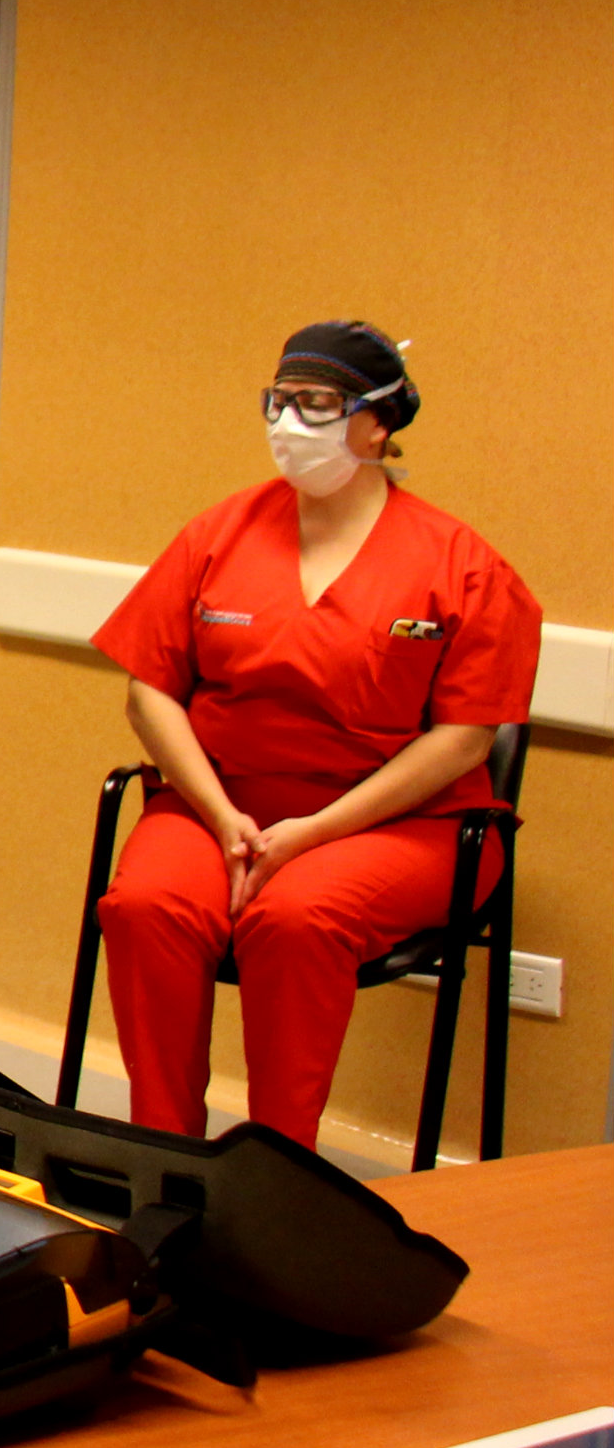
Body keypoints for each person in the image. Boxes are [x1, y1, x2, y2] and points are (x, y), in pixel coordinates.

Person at [92, 321, 537, 1143]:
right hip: (218, 808)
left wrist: (310, 835)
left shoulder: (459, 564)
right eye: (279, 401)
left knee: (295, 920)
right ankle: (166, 1155)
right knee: (146, 904)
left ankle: (275, 1174)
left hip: (401, 825)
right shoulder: (218, 533)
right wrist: (224, 816)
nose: (289, 424)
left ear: (378, 422)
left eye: (317, 404)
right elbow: (148, 691)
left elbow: (465, 739)